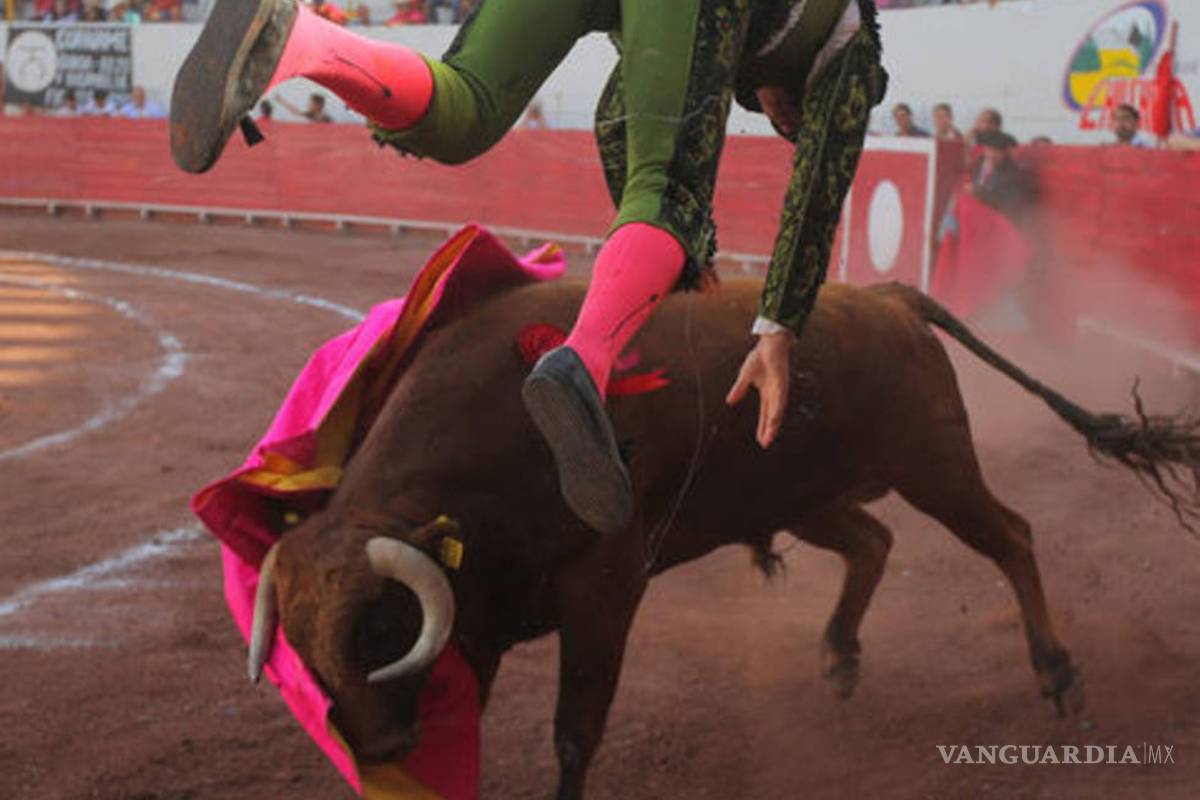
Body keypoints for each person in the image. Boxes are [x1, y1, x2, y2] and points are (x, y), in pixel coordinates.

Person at [170, 0, 887, 534]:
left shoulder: (736, 42)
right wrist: (777, 329)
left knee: (466, 104)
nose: (782, 125)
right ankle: (585, 366)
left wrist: (669, 268)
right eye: (791, 122)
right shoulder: (852, 48)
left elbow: (619, 122)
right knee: (670, 193)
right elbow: (818, 188)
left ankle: (298, 38)